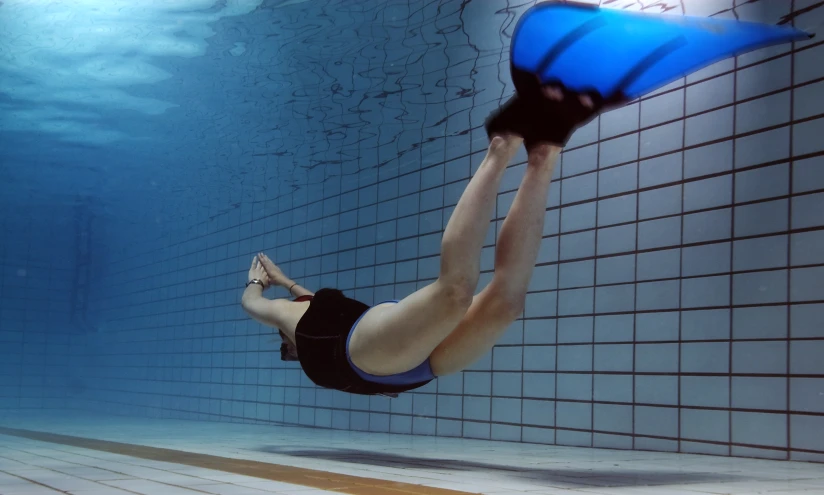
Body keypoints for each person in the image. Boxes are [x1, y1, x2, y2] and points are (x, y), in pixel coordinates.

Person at [241, 74, 617, 396]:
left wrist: (257, 282)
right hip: (419, 366)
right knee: (507, 304)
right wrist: (286, 281)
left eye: (283, 351)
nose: (288, 355)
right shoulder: (309, 309)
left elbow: (252, 304)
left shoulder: (291, 319)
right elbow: (309, 298)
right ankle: (545, 151)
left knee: (455, 292)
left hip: (369, 349)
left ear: (286, 340)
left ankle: (502, 145)